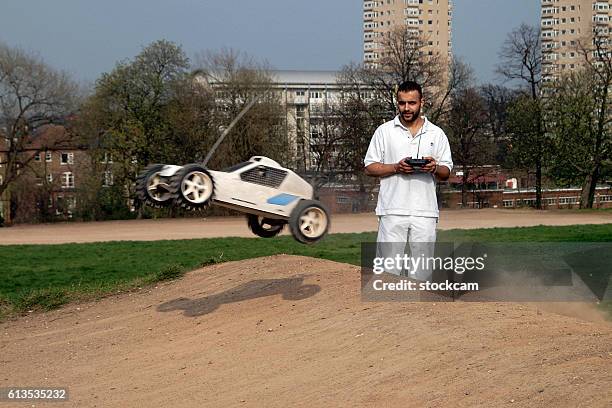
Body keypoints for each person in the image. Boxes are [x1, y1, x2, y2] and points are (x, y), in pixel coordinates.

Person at [364, 80, 453, 281]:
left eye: (411, 103)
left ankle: (417, 312)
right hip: (392, 210)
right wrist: (396, 167)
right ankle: (387, 311)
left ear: (422, 102)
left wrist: (434, 168)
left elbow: (446, 172)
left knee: (422, 273)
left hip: (425, 212)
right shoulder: (384, 131)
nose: (406, 108)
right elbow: (370, 167)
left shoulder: (436, 133)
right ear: (397, 103)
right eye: (402, 103)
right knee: (388, 272)